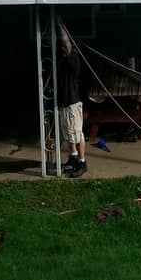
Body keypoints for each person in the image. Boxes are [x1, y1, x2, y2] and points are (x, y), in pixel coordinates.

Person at [56, 24, 86, 177]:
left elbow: (66, 42)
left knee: (77, 134)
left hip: (72, 102)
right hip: (64, 102)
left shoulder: (73, 59)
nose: (63, 47)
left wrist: (60, 24)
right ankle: (73, 158)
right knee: (68, 134)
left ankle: (82, 162)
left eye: (65, 46)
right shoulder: (62, 59)